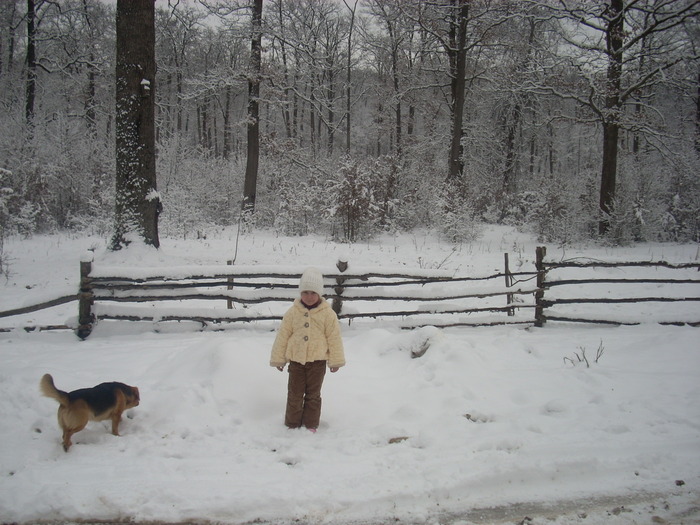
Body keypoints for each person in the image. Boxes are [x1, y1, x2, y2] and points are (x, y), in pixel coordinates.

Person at [270, 267, 345, 432]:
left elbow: (334, 338)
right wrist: (279, 358)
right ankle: (292, 423)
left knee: (313, 395)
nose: (309, 297)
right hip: (296, 362)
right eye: (305, 292)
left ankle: (311, 424)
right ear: (300, 293)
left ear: (319, 294)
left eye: (313, 293)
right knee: (294, 394)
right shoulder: (292, 313)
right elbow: (283, 335)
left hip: (317, 363)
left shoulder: (328, 314)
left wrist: (336, 360)